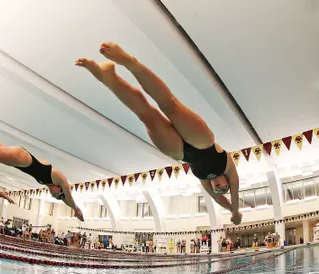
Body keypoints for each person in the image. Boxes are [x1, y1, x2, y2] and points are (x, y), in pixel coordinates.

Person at [76, 42, 242, 225]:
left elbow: (217, 198)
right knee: (169, 104)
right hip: (203, 142)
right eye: (223, 188)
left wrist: (228, 211)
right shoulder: (228, 168)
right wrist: (235, 211)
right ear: (226, 181)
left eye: (217, 190)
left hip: (181, 153)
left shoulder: (205, 181)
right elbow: (234, 189)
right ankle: (129, 61)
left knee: (147, 115)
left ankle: (108, 78)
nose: (218, 189)